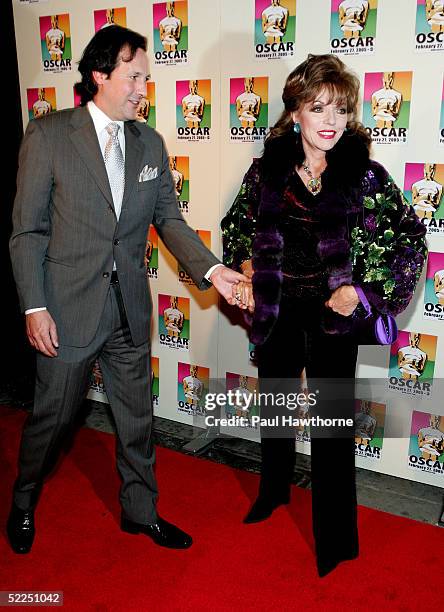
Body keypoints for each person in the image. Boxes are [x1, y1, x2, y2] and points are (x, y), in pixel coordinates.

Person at [8, 25, 249, 555]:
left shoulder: (149, 143)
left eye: (146, 76)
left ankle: (140, 513)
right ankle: (24, 498)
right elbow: (28, 231)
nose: (144, 87)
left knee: (137, 419)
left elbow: (170, 220)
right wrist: (35, 305)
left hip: (129, 310)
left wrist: (214, 272)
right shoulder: (49, 136)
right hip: (66, 311)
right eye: (134, 75)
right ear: (100, 74)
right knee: (52, 420)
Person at [221, 54, 427, 577]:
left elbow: (410, 238)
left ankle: (336, 540)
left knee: (332, 428)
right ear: (296, 113)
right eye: (318, 108)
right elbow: (236, 226)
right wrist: (246, 264)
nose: (331, 120)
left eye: (340, 108)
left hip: (334, 315)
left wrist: (361, 291)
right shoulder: (267, 171)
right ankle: (273, 493)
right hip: (277, 307)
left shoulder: (366, 176)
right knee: (277, 407)